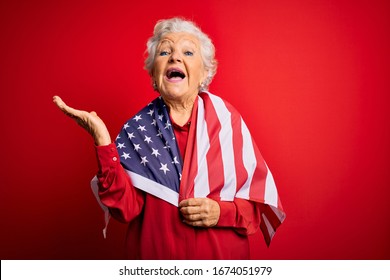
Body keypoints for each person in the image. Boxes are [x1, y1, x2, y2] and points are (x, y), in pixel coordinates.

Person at [53, 17, 285, 259]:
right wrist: (103, 142)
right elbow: (125, 209)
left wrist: (221, 212)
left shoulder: (228, 123)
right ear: (154, 73)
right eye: (165, 51)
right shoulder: (137, 131)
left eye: (187, 51)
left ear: (204, 73)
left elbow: (254, 209)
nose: (175, 57)